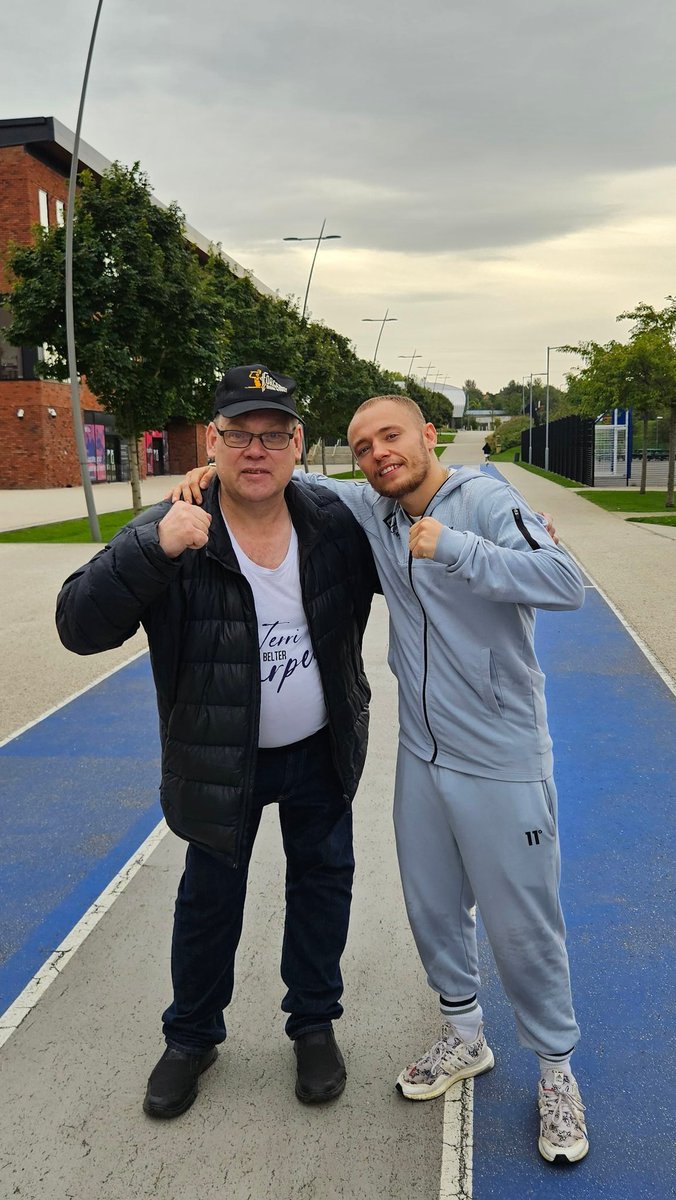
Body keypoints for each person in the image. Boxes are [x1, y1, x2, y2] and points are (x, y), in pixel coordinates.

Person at [174, 393, 589, 1165]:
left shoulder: (487, 500)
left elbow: (566, 581)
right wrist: (211, 470)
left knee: (523, 924)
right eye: (363, 446)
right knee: (433, 909)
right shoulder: (376, 509)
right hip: (424, 756)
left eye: (390, 437)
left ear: (428, 436)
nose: (377, 454)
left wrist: (458, 550)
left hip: (501, 758)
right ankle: (464, 1036)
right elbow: (290, 483)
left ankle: (557, 1074)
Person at [56, 364, 379, 1118]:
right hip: (219, 759)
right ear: (212, 441)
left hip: (320, 751)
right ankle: (191, 1037)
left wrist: (508, 529)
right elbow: (78, 626)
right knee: (209, 901)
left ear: (297, 443)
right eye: (238, 435)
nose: (255, 450)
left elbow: (411, 521)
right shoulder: (175, 527)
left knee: (323, 885)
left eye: (272, 435)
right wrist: (152, 552)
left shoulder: (332, 524)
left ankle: (313, 1025)